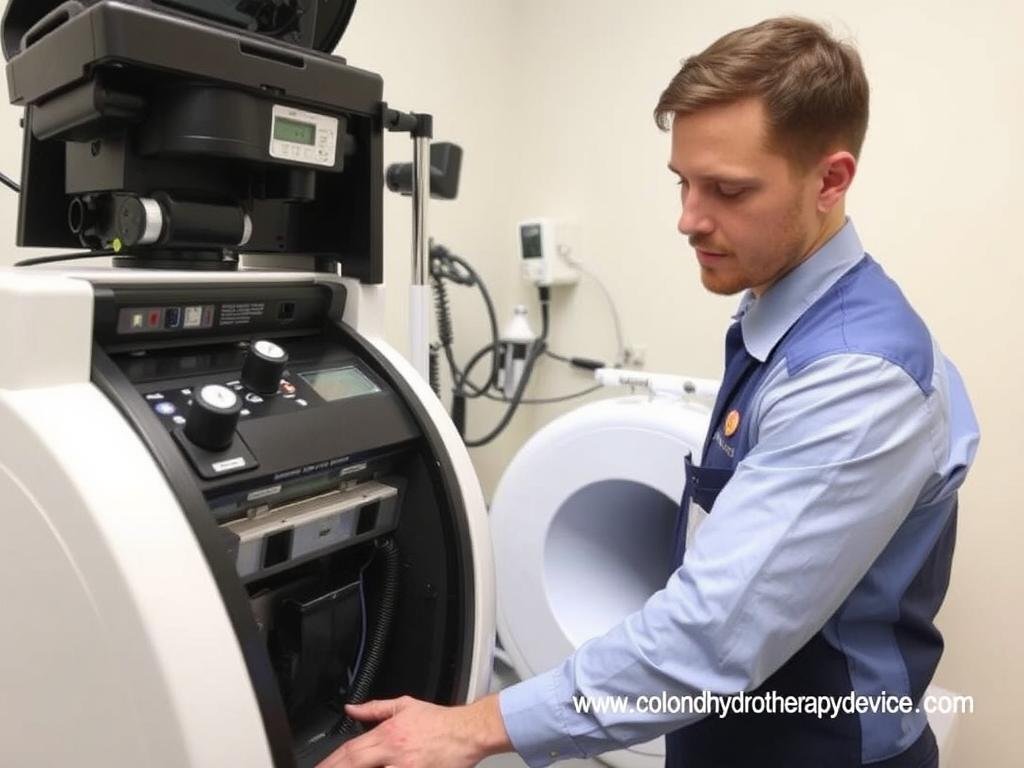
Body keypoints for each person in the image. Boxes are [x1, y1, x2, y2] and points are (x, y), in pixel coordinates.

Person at [316, 16, 979, 768]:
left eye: (727, 190)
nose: (688, 219)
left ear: (830, 179)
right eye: (684, 182)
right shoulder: (779, 316)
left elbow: (712, 636)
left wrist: (472, 728)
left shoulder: (857, 378)